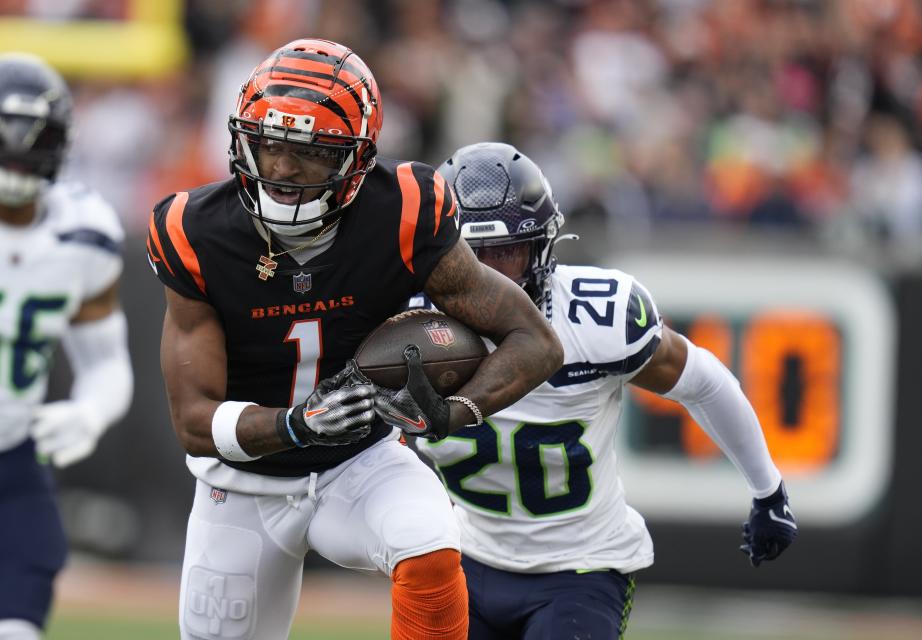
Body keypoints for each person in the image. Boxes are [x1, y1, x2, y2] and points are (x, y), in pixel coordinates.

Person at [146, 39, 562, 640]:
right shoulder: (194, 232)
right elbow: (192, 419)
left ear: (357, 159)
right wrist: (296, 425)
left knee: (431, 544)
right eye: (269, 144)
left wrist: (454, 411)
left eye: (310, 153)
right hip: (240, 485)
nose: (283, 170)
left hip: (357, 464)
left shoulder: (405, 211)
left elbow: (535, 341)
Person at [409, 142, 799, 640]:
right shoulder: (410, 322)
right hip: (467, 554)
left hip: (582, 566)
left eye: (505, 254)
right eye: (472, 256)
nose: (489, 277)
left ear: (542, 246)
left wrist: (768, 488)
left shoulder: (594, 318)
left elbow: (703, 380)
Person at [0, 54, 133, 640]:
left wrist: (90, 410)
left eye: (32, 137)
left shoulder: (84, 233)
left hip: (13, 459)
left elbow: (105, 362)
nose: (15, 153)